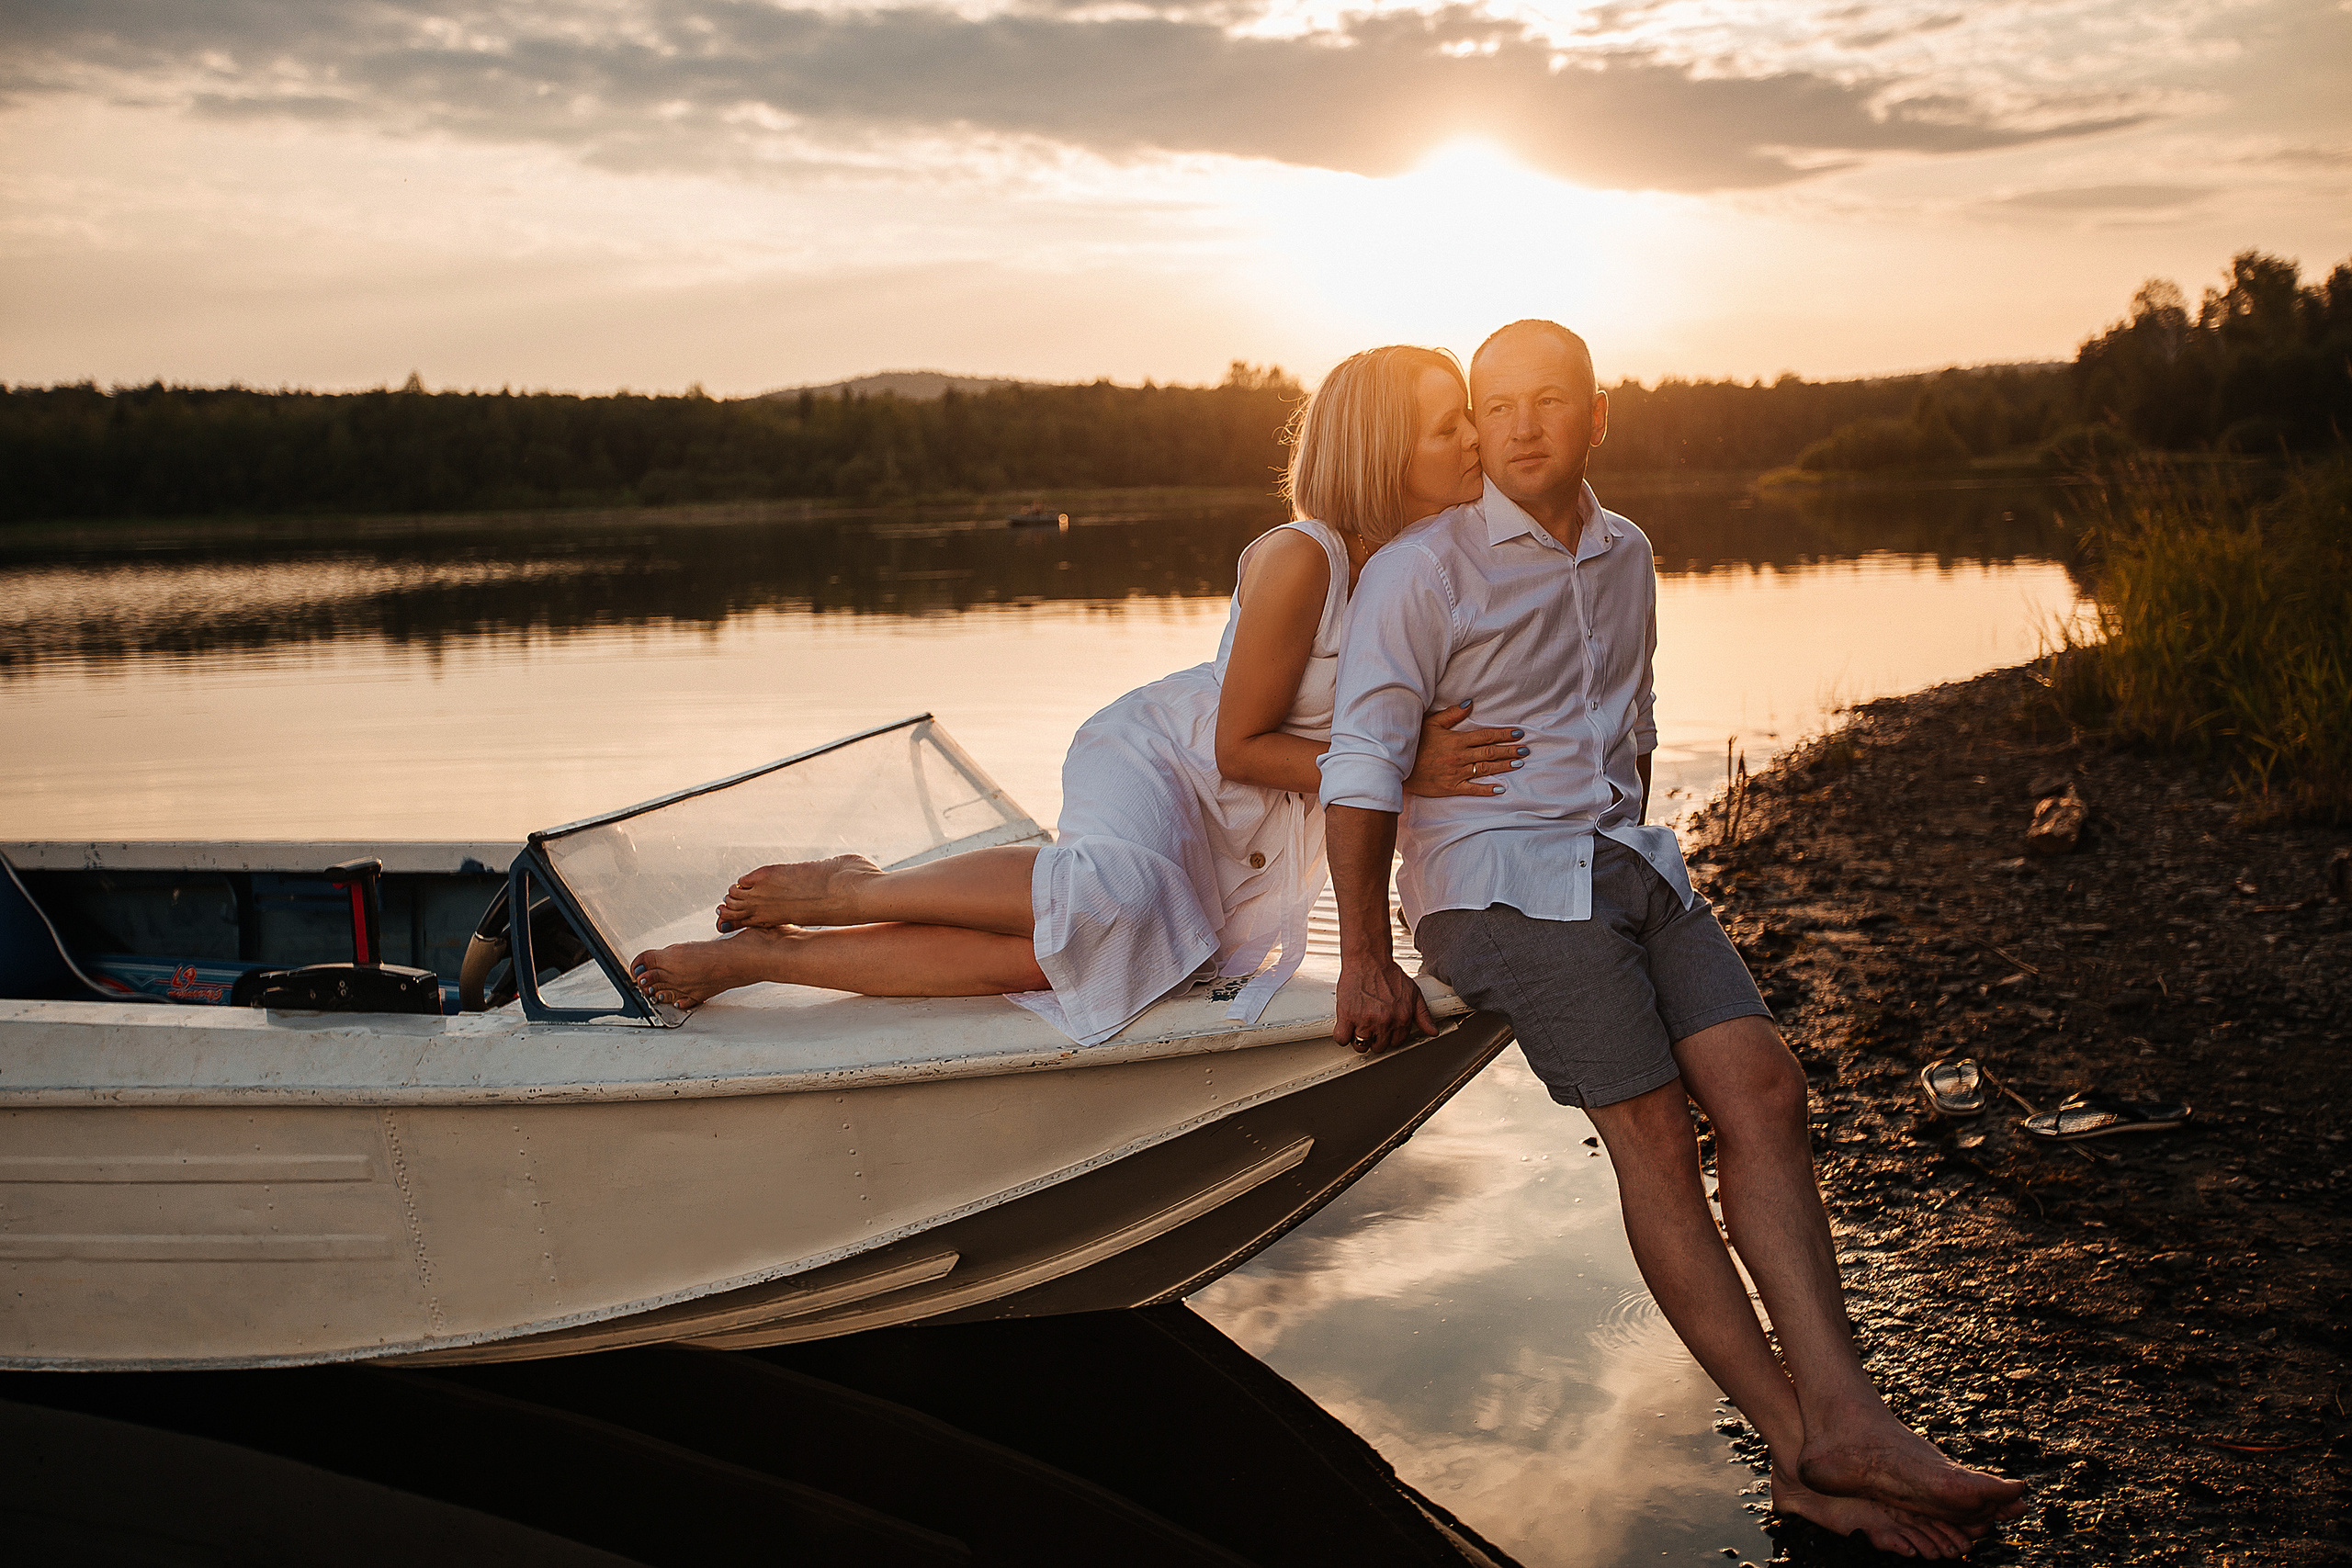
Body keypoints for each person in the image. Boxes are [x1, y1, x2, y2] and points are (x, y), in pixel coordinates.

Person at [1318, 320, 2030, 1560]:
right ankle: (1799, 1448)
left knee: (1765, 1087)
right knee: (1653, 1131)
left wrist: (1630, 847)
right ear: (1476, 427)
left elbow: (1633, 723)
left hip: (1624, 863)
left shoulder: (1628, 549)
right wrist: (1372, 954)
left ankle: (1850, 1415)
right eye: (1499, 406)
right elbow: (1363, 761)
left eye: (1554, 400)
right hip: (1494, 885)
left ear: (1601, 415)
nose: (1525, 425)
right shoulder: (1424, 569)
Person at [630, 344, 1521, 1043]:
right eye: (1449, 428)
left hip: (1248, 823)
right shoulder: (1304, 557)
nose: (1474, 442)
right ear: (1382, 449)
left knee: (1051, 964)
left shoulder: (1424, 580)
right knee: (1115, 903)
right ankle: (854, 890)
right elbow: (1238, 746)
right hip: (1167, 761)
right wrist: (1404, 766)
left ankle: (763, 961)